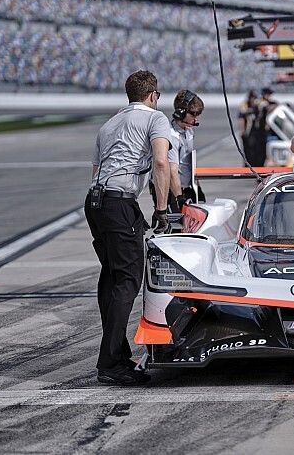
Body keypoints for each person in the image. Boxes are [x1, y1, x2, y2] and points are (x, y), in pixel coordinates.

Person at [84, 69, 172, 386]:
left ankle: (117, 355)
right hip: (119, 202)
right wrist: (161, 208)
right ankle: (110, 363)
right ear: (153, 95)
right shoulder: (155, 118)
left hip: (96, 202)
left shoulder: (109, 124)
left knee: (111, 278)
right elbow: (161, 162)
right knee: (128, 279)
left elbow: (96, 171)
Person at [168, 90, 204, 209]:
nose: (196, 119)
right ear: (181, 113)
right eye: (193, 114)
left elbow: (190, 164)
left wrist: (198, 188)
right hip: (172, 191)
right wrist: (179, 198)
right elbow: (172, 172)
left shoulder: (189, 132)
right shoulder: (171, 136)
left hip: (187, 187)